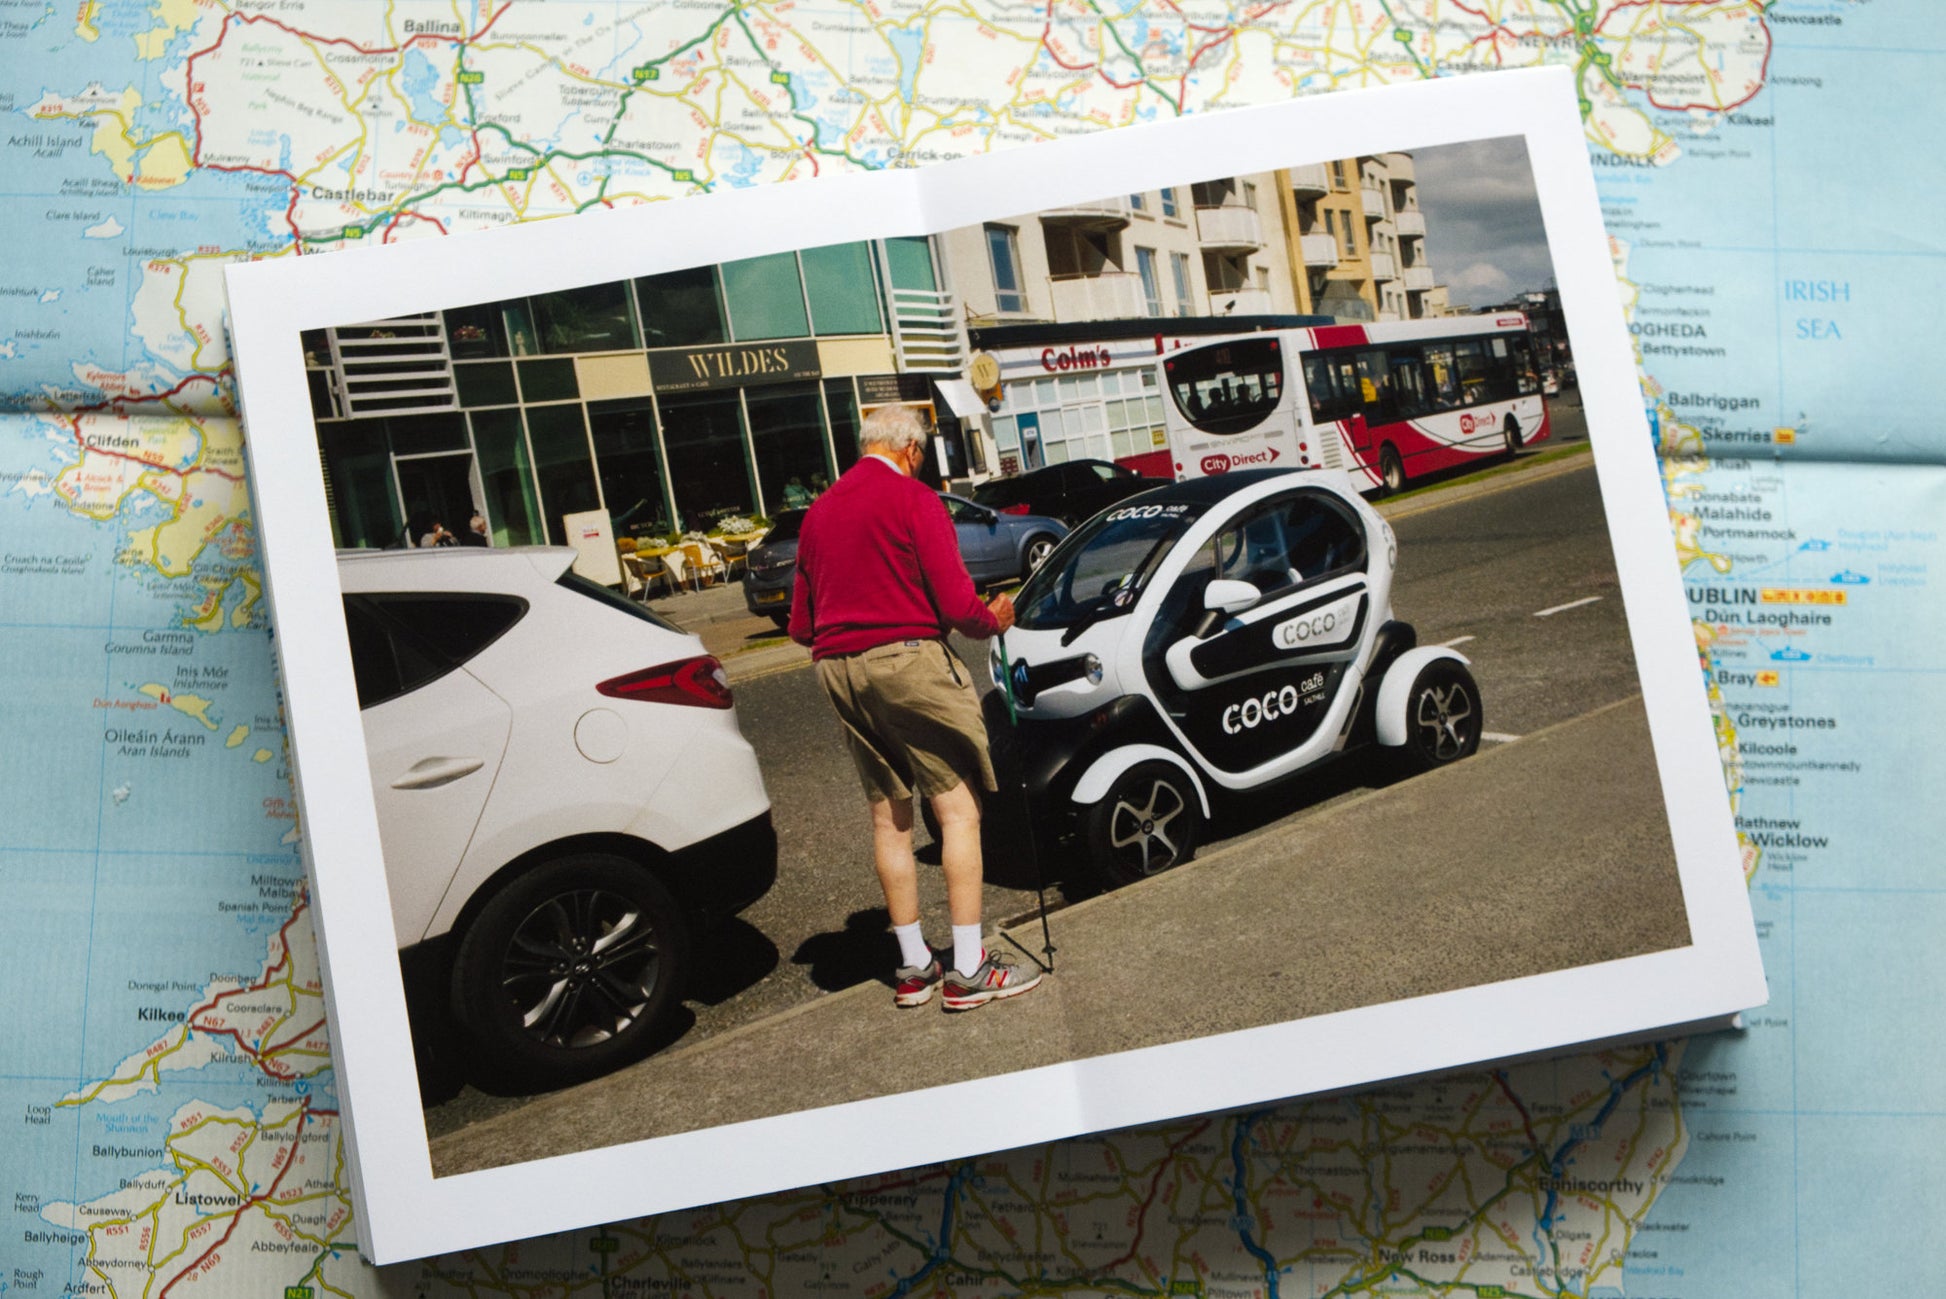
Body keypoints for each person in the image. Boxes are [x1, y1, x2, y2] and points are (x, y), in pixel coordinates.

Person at [788, 406, 1042, 1011]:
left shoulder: (819, 514)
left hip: (837, 667)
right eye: (921, 456)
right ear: (909, 449)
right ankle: (969, 969)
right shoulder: (914, 499)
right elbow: (959, 605)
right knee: (957, 810)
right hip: (907, 660)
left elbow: (801, 624)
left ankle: (913, 969)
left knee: (889, 818)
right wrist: (994, 618)